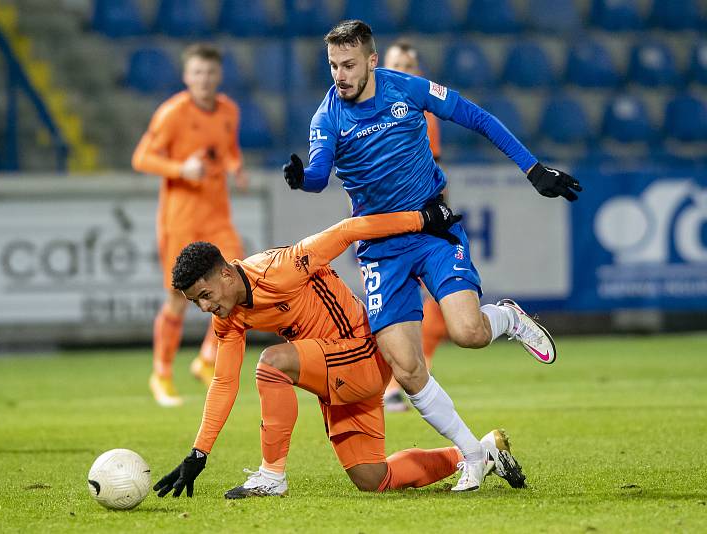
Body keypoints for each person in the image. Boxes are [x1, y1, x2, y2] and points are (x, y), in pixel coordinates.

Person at [282, 20, 581, 491]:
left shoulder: (409, 89)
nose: (340, 75)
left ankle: (507, 318)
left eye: (349, 65)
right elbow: (320, 173)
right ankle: (472, 453)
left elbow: (477, 116)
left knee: (468, 332)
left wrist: (533, 168)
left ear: (372, 61)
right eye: (334, 66)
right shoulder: (327, 117)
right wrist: (303, 178)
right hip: (380, 247)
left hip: (433, 229)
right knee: (405, 366)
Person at [152, 199, 526, 499]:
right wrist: (197, 454)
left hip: (362, 352)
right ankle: (476, 453)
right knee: (373, 477)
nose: (204, 307)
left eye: (205, 295)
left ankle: (271, 476)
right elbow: (223, 382)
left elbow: (349, 230)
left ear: (226, 274)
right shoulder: (229, 316)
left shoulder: (279, 268)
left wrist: (420, 219)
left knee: (272, 363)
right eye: (194, 302)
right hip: (335, 373)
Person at [132, 43, 247, 407]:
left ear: (219, 75)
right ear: (186, 76)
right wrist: (182, 169)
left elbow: (228, 148)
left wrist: (234, 166)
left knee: (240, 279)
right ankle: (161, 374)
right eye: (197, 72)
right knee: (176, 299)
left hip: (217, 216)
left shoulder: (229, 110)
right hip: (180, 219)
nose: (204, 79)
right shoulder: (172, 114)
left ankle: (207, 358)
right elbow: (142, 158)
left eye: (210, 72)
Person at [381, 38, 447, 413]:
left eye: (409, 66)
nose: (403, 73)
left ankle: (401, 384)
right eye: (396, 65)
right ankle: (384, 388)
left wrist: (443, 218)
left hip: (422, 224)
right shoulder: (366, 113)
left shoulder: (426, 116)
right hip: (385, 228)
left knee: (438, 305)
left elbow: (436, 171)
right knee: (391, 313)